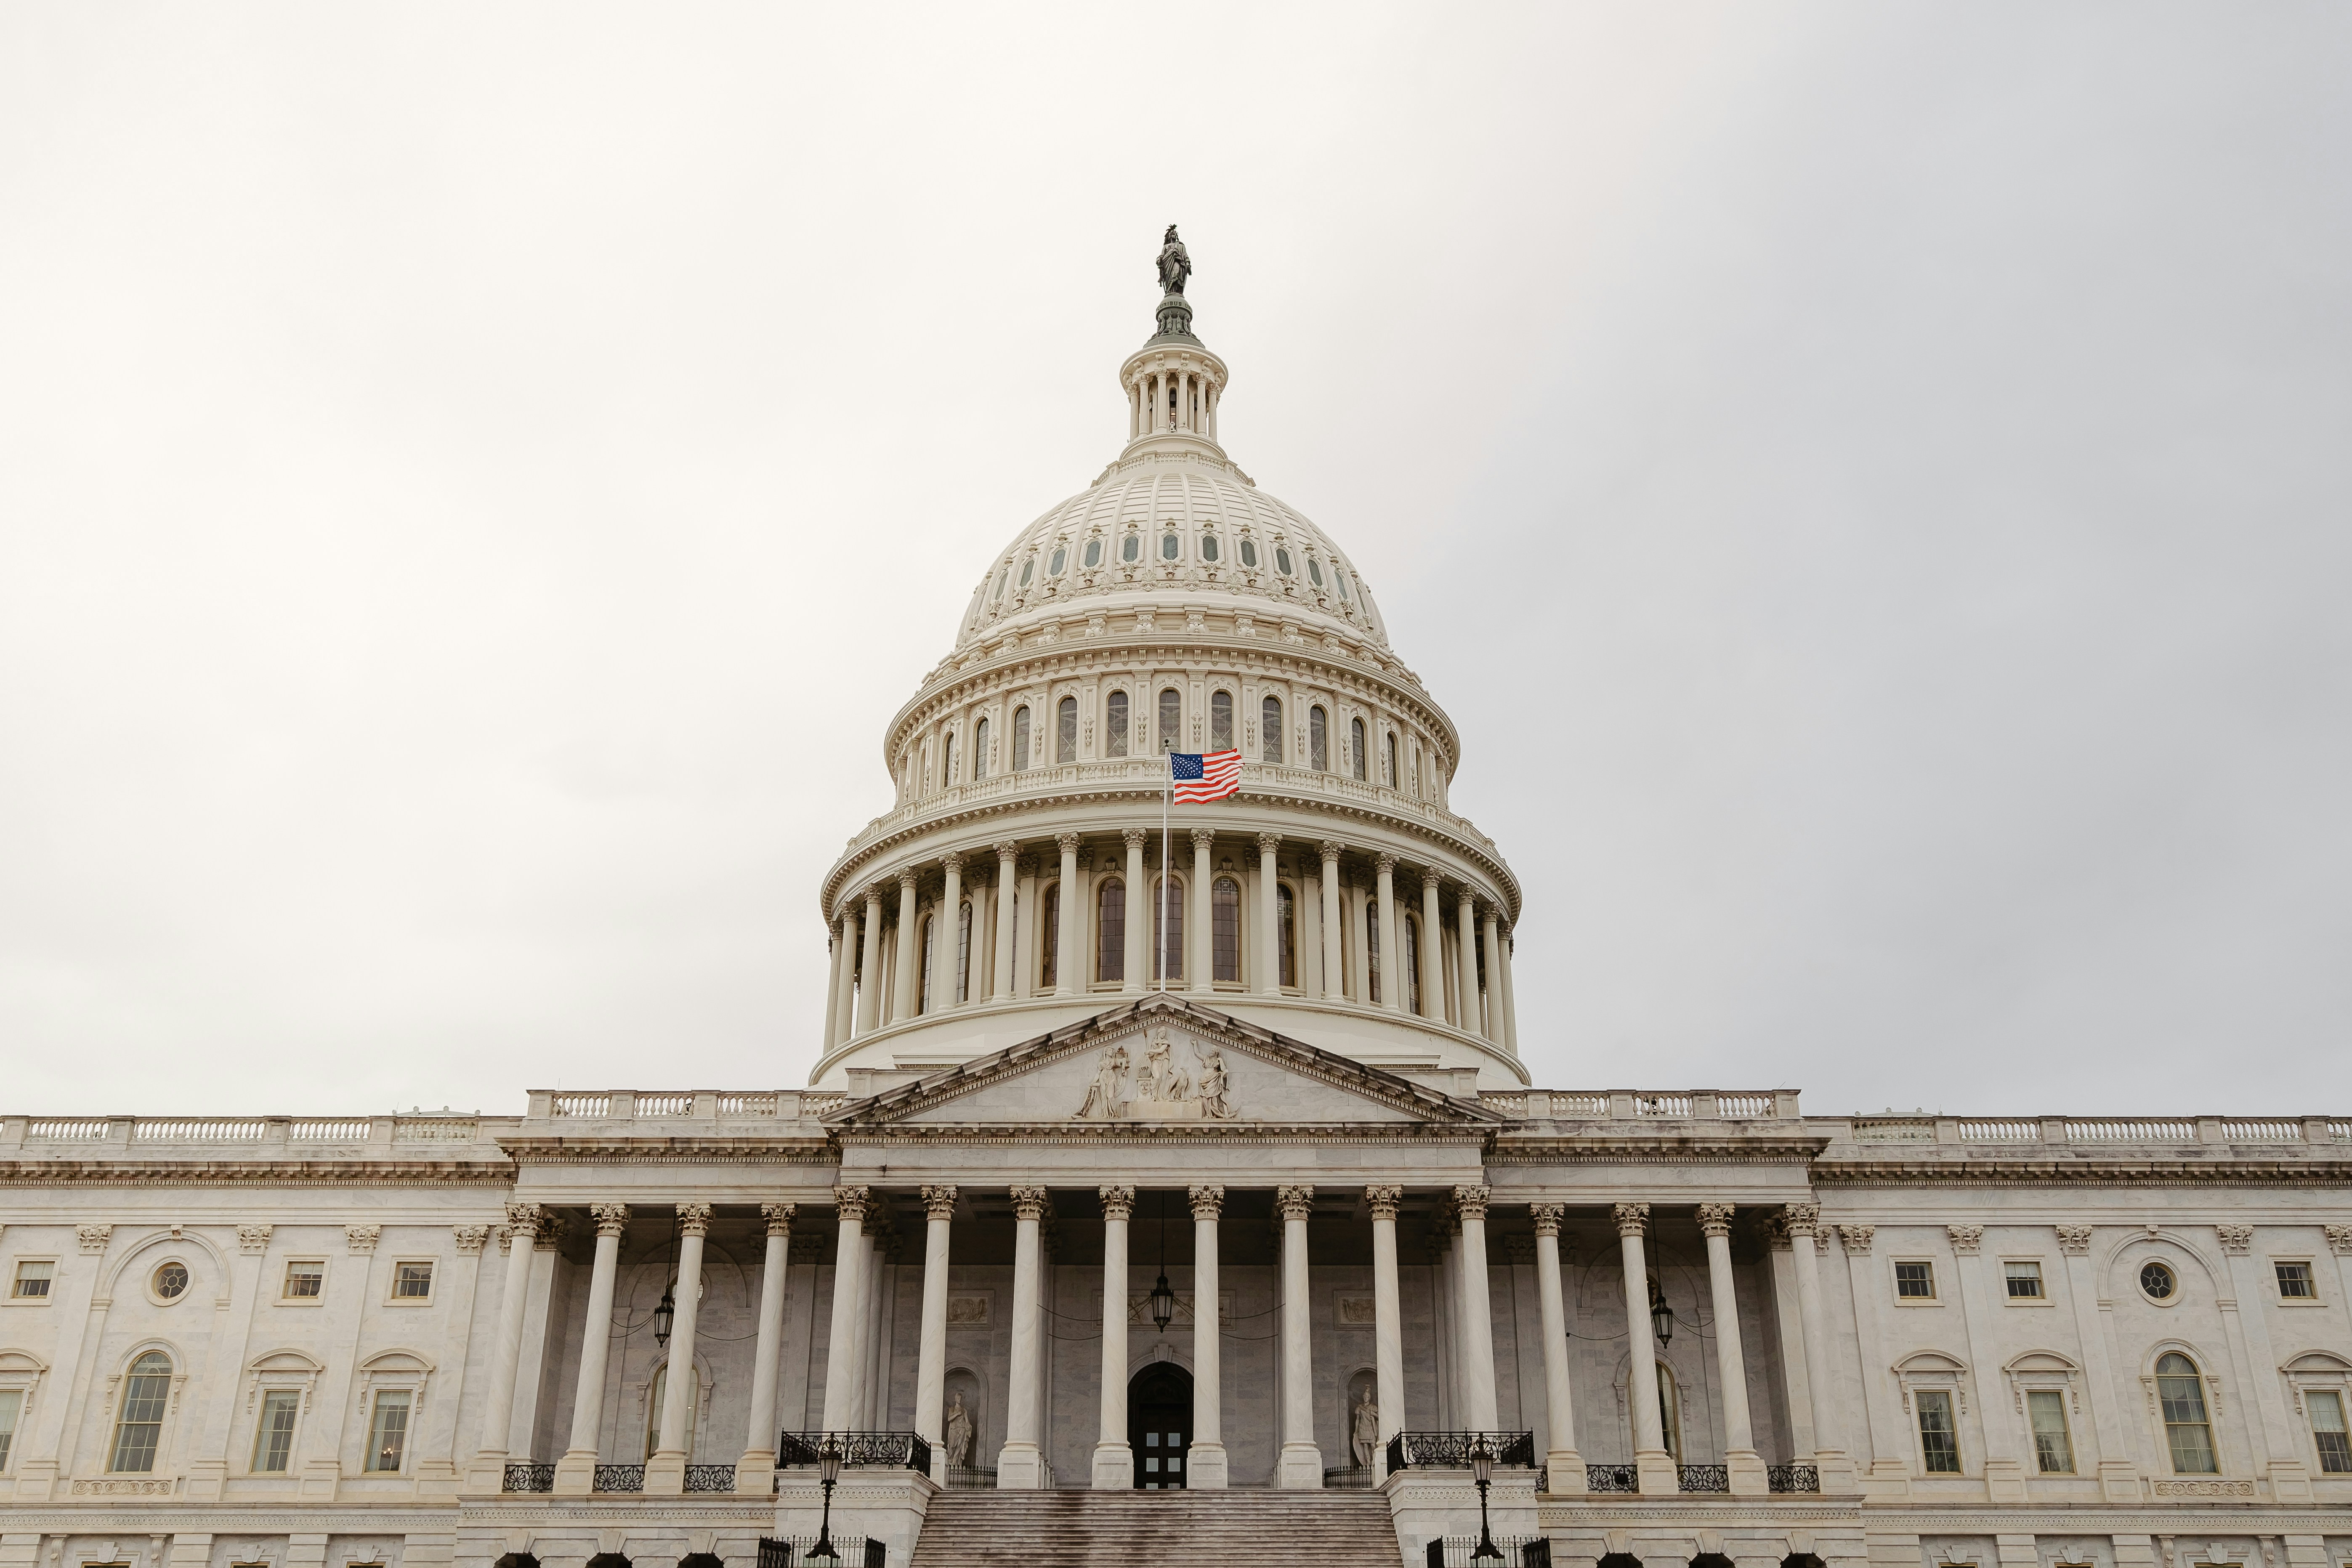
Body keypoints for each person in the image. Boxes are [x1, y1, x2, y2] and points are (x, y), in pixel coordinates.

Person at [1350, 1385, 1380, 1472]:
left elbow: (1379, 1417)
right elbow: (1357, 1420)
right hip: (1362, 1428)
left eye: (1367, 1397)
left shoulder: (1373, 1407)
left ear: (1369, 1398)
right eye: (1365, 1397)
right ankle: (1368, 1463)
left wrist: (1373, 1414)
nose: (1366, 1398)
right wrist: (1356, 1431)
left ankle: (1375, 1461)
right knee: (1365, 1446)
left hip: (1371, 1428)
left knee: (1373, 1445)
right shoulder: (1359, 1408)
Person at [944, 1390, 974, 1471]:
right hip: (954, 1429)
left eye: (960, 1398)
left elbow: (967, 1421)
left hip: (962, 1429)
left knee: (959, 1446)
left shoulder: (964, 1410)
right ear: (955, 1399)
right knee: (952, 1445)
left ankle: (956, 1462)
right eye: (958, 1398)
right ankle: (950, 1460)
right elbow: (949, 1419)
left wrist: (969, 1426)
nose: (959, 1400)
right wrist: (957, 1414)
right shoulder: (952, 1409)